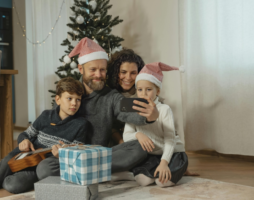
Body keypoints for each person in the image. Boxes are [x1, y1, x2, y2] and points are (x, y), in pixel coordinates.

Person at [54, 37, 159, 173]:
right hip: (71, 154)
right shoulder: (68, 92)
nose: (98, 75)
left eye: (102, 70)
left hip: (99, 156)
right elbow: (52, 121)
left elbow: (130, 111)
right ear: (81, 68)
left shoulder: (112, 96)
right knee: (44, 169)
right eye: (93, 70)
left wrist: (151, 115)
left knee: (138, 148)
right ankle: (92, 170)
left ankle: (83, 169)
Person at [0, 77, 89, 194]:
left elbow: (77, 153)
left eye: (78, 99)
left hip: (37, 168)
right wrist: (24, 140)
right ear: (58, 99)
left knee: (12, 185)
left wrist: (62, 155)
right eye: (69, 98)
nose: (74, 103)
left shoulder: (81, 124)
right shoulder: (46, 116)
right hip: (20, 156)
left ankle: (0, 176)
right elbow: (25, 134)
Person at [107, 49, 199, 177]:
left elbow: (167, 129)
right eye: (123, 72)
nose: (128, 77)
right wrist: (124, 142)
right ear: (116, 72)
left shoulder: (147, 95)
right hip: (124, 140)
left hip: (145, 144)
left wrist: (178, 164)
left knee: (142, 152)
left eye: (133, 73)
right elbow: (109, 125)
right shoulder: (111, 95)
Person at [123, 62, 188, 187]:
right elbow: (126, 136)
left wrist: (164, 163)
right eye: (140, 90)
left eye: (148, 90)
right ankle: (135, 173)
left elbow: (170, 139)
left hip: (173, 153)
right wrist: (138, 134)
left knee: (162, 182)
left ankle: (180, 167)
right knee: (144, 180)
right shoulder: (133, 110)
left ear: (157, 91)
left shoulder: (164, 109)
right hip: (152, 155)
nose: (144, 94)